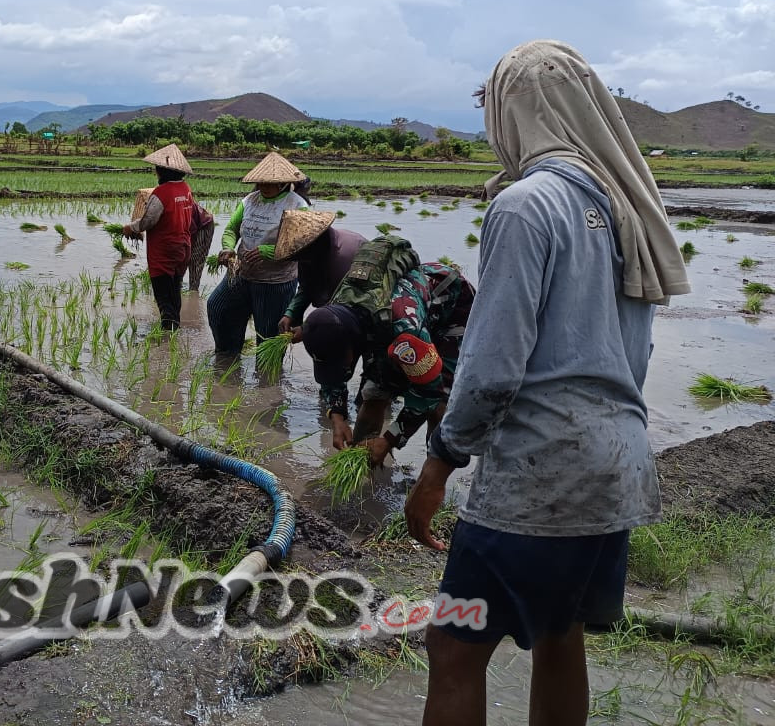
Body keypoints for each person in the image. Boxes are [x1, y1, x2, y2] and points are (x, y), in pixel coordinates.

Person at [404, 40, 689, 726]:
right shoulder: (628, 207)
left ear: (517, 111)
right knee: (559, 637)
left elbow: (492, 366)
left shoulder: (527, 206)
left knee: (452, 644)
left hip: (543, 472)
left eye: (492, 106)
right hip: (616, 467)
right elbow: (636, 355)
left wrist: (439, 464)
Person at [298, 235, 474, 467]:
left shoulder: (404, 333)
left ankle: (431, 473)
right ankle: (361, 466)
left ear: (353, 344)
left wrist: (390, 439)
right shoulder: (332, 320)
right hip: (383, 324)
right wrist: (338, 418)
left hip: (450, 309)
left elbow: (429, 391)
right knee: (374, 395)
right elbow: (333, 369)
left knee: (439, 406)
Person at [206, 152, 308, 355]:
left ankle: (267, 383)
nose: (263, 187)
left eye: (269, 183)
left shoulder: (297, 206)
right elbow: (231, 230)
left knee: (268, 334)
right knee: (218, 307)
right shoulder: (250, 200)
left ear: (284, 183)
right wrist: (227, 248)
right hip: (241, 274)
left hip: (275, 283)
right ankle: (227, 361)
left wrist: (268, 251)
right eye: (260, 182)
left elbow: (301, 245)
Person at [271, 210, 367, 412]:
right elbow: (306, 288)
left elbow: (343, 316)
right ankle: (332, 413)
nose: (299, 259)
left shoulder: (345, 257)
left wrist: (306, 331)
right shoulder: (310, 255)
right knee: (330, 371)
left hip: (366, 315)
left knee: (372, 383)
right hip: (338, 314)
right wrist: (291, 313)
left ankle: (366, 414)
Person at [122, 144, 197, 329]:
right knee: (175, 290)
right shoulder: (185, 188)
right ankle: (174, 327)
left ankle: (168, 333)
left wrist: (130, 227)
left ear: (161, 171)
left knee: (163, 296)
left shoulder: (161, 193)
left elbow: (148, 221)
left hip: (164, 251)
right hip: (183, 248)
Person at [186, 202, 216, 293]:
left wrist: (187, 250)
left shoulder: (179, 209)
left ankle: (193, 291)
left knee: (195, 259)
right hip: (193, 226)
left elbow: (192, 230)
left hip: (204, 225)